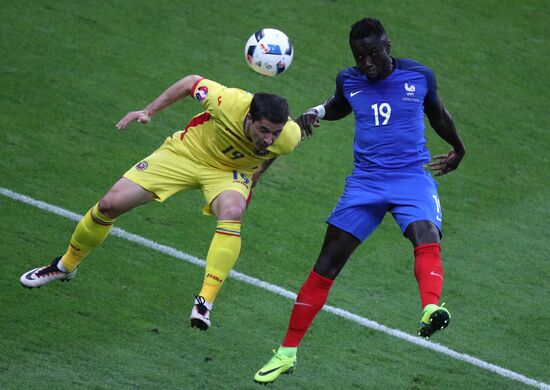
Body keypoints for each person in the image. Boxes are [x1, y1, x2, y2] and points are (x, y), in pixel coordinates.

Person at [254, 17, 465, 383]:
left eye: (371, 55)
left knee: (425, 234)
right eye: (359, 57)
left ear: (387, 48)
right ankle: (286, 353)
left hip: (411, 178)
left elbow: (439, 114)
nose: (365, 64)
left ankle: (431, 308)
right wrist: (317, 112)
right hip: (365, 183)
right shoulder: (349, 79)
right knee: (326, 264)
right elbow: (340, 104)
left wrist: (458, 148)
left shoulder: (419, 77)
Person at [20, 75, 301, 331]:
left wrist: (259, 172)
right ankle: (65, 266)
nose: (269, 139)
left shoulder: (288, 137)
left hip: (228, 174)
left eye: (275, 133)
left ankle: (205, 302)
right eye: (264, 130)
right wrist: (148, 111)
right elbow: (191, 82)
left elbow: (274, 150)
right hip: (185, 154)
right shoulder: (225, 100)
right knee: (109, 204)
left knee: (233, 212)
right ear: (250, 118)